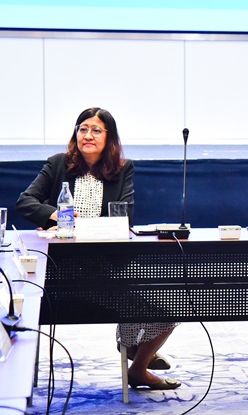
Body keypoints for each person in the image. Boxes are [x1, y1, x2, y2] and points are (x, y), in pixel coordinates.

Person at [15, 107, 181, 390]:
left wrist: (83, 227)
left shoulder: (122, 168)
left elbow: (125, 215)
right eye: (83, 129)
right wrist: (55, 215)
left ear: (109, 138)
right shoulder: (58, 164)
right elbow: (25, 201)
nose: (88, 135)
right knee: (140, 299)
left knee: (175, 300)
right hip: (60, 270)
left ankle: (138, 364)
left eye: (96, 130)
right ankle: (138, 354)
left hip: (108, 266)